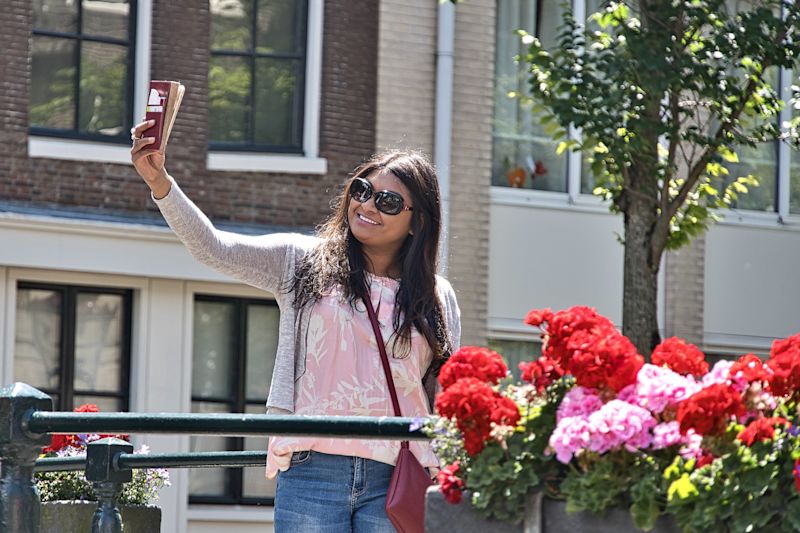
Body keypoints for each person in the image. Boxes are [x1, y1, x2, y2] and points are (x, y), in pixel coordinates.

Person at [130, 119, 461, 532]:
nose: (368, 206)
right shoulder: (302, 262)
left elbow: (445, 395)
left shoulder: (437, 295)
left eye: (388, 202)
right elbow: (213, 247)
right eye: (362, 190)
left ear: (417, 222)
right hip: (311, 470)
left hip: (397, 475)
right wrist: (160, 182)